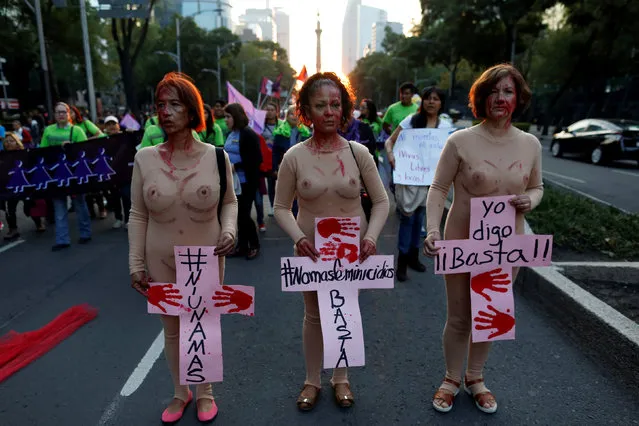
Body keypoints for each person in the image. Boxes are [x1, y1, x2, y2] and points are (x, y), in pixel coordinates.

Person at [422, 64, 543, 415]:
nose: (500, 98)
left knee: (489, 312)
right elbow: (438, 188)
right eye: (493, 91)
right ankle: (450, 378)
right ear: (481, 98)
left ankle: (475, 378)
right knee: (460, 317)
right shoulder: (460, 141)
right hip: (462, 241)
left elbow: (537, 186)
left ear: (517, 98)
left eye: (508, 91)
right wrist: (432, 230)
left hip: (508, 246)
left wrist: (530, 200)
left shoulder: (530, 144)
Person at [274, 72, 390, 411]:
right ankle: (312, 380)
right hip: (310, 250)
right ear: (307, 110)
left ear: (345, 109)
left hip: (353, 250)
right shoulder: (294, 156)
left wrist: (369, 238)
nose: (329, 111)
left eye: (335, 104)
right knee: (313, 315)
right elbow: (281, 207)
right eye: (321, 105)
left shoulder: (359, 153)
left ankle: (341, 379)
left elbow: (382, 202)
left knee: (344, 310)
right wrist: (298, 238)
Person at [128, 72, 237, 424]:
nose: (166, 112)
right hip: (159, 257)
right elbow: (137, 214)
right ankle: (181, 392)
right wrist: (135, 262)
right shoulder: (144, 158)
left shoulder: (217, 157)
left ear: (192, 111)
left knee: (201, 323)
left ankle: (205, 393)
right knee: (172, 328)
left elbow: (230, 202)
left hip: (205, 256)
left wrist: (231, 230)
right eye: (161, 105)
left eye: (175, 104)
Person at [385, 87, 452, 281]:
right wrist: (390, 156)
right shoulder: (411, 121)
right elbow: (390, 142)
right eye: (428, 98)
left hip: (432, 183)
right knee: (407, 219)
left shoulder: (445, 127)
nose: (431, 102)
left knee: (420, 219)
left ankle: (414, 257)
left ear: (441, 103)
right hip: (410, 180)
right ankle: (402, 262)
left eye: (436, 99)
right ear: (422, 101)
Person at [40, 102, 92, 251]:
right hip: (56, 173)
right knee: (59, 205)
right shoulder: (48, 130)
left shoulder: (77, 131)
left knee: (80, 203)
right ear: (54, 115)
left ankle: (85, 233)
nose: (61, 115)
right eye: (58, 112)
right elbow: (42, 151)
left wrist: (72, 147)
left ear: (69, 114)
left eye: (63, 112)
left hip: (74, 173)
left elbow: (85, 151)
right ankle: (62, 239)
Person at [223, 103, 262, 260]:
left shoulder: (248, 134)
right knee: (237, 215)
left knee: (244, 214)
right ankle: (241, 246)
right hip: (233, 182)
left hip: (246, 182)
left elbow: (256, 159)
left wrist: (236, 166)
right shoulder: (231, 133)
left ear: (236, 117)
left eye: (228, 117)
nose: (225, 120)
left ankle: (254, 245)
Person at [1, 133, 46, 240]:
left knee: (30, 205)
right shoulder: (2, 156)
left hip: (25, 186)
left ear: (17, 142)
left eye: (11, 141)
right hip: (10, 188)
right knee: (10, 209)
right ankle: (13, 229)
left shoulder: (24, 154)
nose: (8, 143)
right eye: (6, 141)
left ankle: (38, 223)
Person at [262, 101, 282, 216]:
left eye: (271, 110)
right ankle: (272, 206)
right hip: (268, 159)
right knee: (270, 183)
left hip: (280, 158)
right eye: (267, 110)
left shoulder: (283, 125)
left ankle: (283, 206)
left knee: (283, 183)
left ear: (276, 112)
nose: (269, 112)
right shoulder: (260, 125)